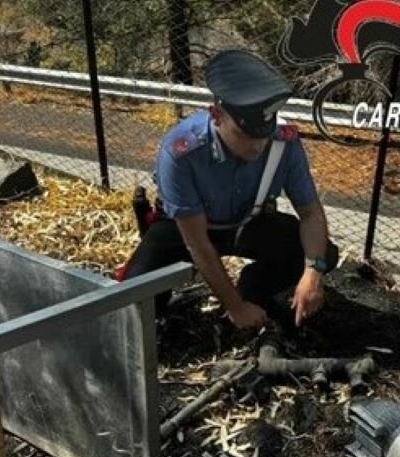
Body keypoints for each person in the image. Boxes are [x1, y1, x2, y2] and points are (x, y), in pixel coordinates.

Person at [118, 49, 338, 329]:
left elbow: (310, 214)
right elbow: (197, 243)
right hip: (185, 229)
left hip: (247, 222)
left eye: (264, 135)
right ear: (217, 116)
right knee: (134, 308)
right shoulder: (181, 151)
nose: (258, 146)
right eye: (245, 136)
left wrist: (312, 272)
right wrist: (235, 307)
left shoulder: (284, 143)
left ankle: (254, 287)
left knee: (323, 253)